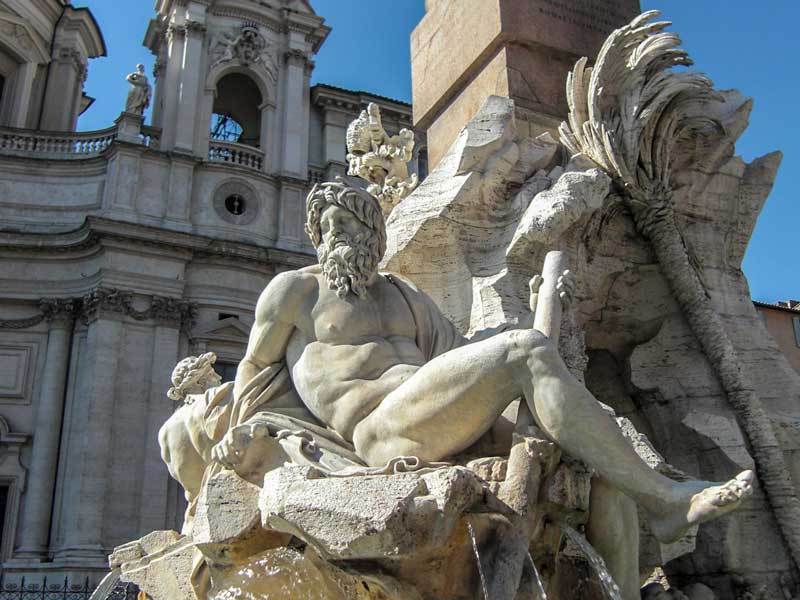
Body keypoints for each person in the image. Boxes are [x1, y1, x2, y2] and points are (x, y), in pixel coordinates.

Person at [214, 179, 752, 557]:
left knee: (590, 466)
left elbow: (470, 367)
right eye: (327, 228)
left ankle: (641, 537)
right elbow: (255, 371)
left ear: (373, 236)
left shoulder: (410, 298)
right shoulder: (295, 290)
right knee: (521, 351)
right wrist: (241, 438)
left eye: (349, 226)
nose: (337, 238)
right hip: (377, 430)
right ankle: (664, 499)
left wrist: (548, 304)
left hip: (435, 415)